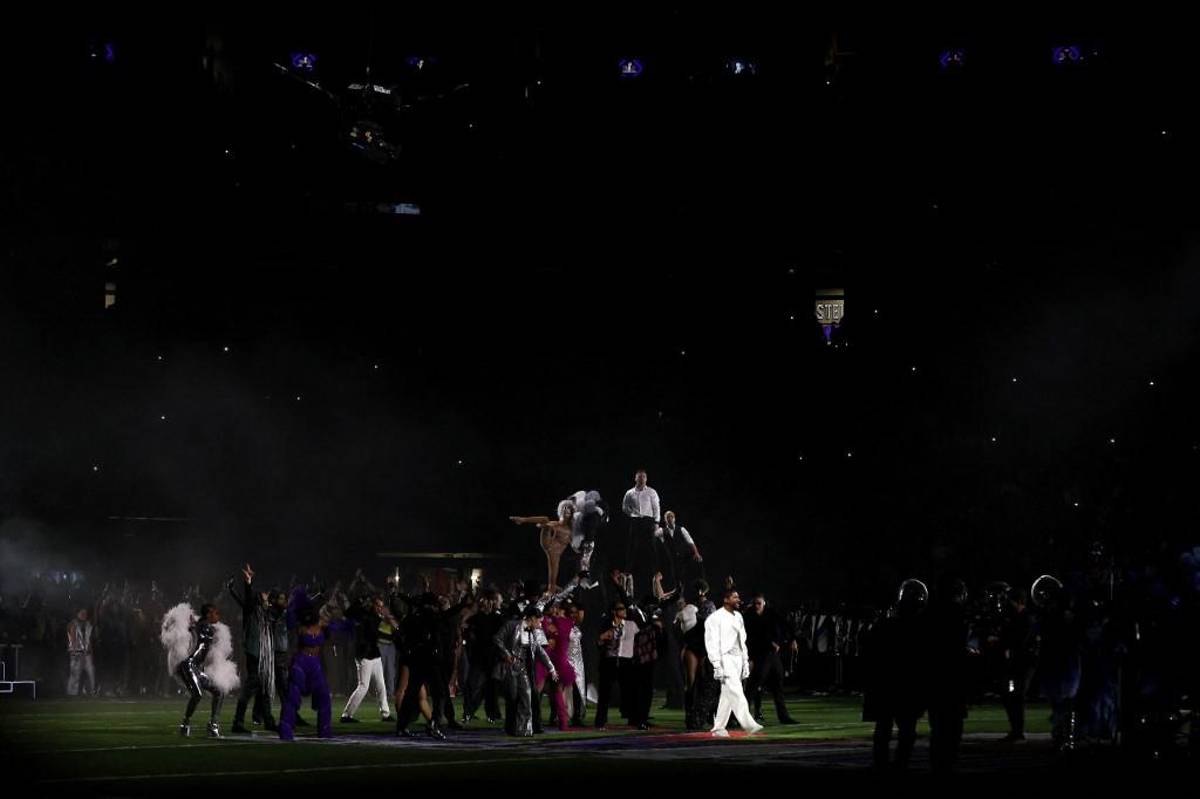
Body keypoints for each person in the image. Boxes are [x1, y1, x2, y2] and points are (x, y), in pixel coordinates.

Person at [161, 602, 240, 738]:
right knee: (197, 694)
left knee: (218, 692)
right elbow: (193, 629)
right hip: (187, 665)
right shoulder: (204, 627)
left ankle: (213, 725)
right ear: (208, 614)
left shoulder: (204, 626)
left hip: (195, 668)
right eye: (215, 613)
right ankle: (185, 724)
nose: (218, 616)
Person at [704, 587, 762, 737]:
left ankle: (718, 728)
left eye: (738, 597)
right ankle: (749, 724)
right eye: (735, 597)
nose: (738, 600)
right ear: (726, 599)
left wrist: (745, 661)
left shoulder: (738, 616)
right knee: (736, 691)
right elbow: (711, 643)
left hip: (738, 659)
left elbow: (742, 641)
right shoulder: (714, 619)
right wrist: (717, 665)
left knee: (727, 695)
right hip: (725, 658)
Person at [228, 564, 278, 733]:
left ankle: (268, 721)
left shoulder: (266, 614)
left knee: (264, 689)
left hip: (264, 657)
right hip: (255, 654)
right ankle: (237, 723)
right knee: (249, 689)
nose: (267, 596)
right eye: (264, 594)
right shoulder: (251, 611)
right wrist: (248, 583)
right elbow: (247, 601)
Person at [495, 605, 558, 736]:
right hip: (510, 667)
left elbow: (539, 651)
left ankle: (524, 729)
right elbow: (497, 639)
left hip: (523, 668)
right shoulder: (512, 625)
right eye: (539, 621)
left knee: (526, 697)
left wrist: (551, 668)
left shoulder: (533, 633)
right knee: (512, 698)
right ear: (532, 618)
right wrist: (506, 654)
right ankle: (511, 728)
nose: (540, 624)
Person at [744, 593, 797, 724]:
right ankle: (741, 716)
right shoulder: (749, 616)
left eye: (759, 603)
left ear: (764, 603)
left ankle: (784, 716)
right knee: (753, 686)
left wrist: (791, 639)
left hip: (772, 655)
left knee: (778, 685)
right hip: (760, 655)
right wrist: (751, 657)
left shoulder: (771, 613)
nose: (757, 606)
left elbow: (785, 625)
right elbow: (751, 637)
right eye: (755, 603)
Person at [622, 470, 661, 594]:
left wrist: (656, 522)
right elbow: (624, 507)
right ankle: (627, 571)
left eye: (643, 477)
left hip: (648, 520)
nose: (641, 479)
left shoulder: (651, 492)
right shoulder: (629, 493)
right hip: (636, 521)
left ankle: (656, 572)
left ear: (646, 479)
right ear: (635, 478)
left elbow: (656, 507)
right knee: (632, 546)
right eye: (639, 477)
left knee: (652, 547)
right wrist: (632, 513)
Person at [66, 608, 96, 697]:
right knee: (75, 673)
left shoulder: (88, 625)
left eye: (85, 613)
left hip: (87, 653)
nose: (84, 615)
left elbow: (89, 640)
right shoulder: (73, 624)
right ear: (77, 614)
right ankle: (72, 693)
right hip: (77, 652)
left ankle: (92, 691)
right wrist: (74, 652)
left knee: (91, 672)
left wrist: (91, 653)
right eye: (82, 613)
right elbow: (73, 639)